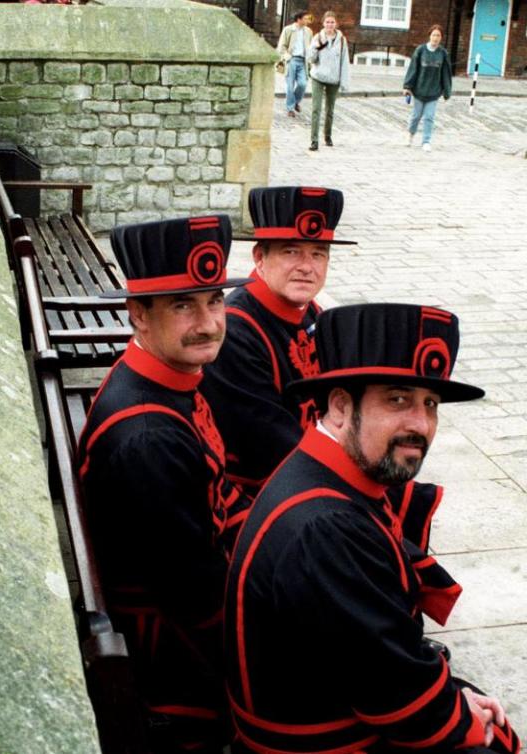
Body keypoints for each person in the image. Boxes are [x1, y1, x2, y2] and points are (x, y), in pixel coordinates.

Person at [225, 303, 521, 754]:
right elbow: (394, 692)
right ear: (341, 406)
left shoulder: (326, 473)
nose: (420, 425)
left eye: (430, 404)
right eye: (397, 399)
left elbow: (374, 651)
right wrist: (467, 720)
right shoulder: (325, 527)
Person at [77, 215, 251, 753]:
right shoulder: (147, 438)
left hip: (188, 607)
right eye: (183, 305)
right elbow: (199, 601)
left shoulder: (165, 379)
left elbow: (219, 500)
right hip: (175, 663)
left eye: (215, 301)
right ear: (138, 314)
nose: (208, 322)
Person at [200, 186, 355, 497]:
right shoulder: (237, 331)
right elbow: (272, 443)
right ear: (260, 257)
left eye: (318, 254)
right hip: (267, 492)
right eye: (290, 251)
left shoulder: (311, 313)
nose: (306, 266)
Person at [404, 24, 452, 152]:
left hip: (434, 92)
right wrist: (407, 86)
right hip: (419, 90)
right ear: (429, 36)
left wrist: (447, 91)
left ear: (441, 38)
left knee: (429, 117)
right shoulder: (420, 50)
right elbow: (413, 68)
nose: (436, 38)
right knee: (416, 115)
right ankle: (410, 134)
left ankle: (426, 141)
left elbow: (446, 74)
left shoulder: (443, 53)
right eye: (434, 35)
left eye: (438, 36)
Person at [307, 10, 350, 151]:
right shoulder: (317, 37)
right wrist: (316, 48)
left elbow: (344, 63)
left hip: (333, 79)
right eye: (327, 22)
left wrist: (344, 82)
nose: (330, 25)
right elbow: (311, 59)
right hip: (318, 76)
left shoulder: (342, 41)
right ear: (323, 23)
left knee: (330, 110)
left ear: (336, 23)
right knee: (316, 109)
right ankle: (314, 140)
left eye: (332, 22)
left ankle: (328, 135)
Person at [277, 10, 313, 119]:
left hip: (303, 61)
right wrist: (287, 57)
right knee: (290, 86)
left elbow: (310, 47)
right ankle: (290, 108)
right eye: (306, 18)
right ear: (299, 19)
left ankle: (296, 101)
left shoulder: (309, 31)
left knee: (302, 84)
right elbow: (281, 46)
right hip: (291, 60)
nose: (308, 20)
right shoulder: (288, 30)